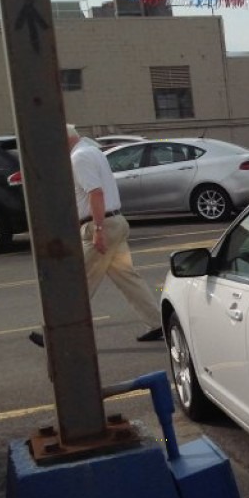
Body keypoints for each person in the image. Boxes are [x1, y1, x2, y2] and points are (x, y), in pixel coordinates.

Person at [29, 125, 163, 347]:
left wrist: (98, 230)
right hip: (114, 223)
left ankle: (57, 334)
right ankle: (156, 321)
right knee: (127, 278)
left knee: (77, 282)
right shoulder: (92, 151)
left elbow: (96, 193)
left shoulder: (79, 158)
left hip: (101, 226)